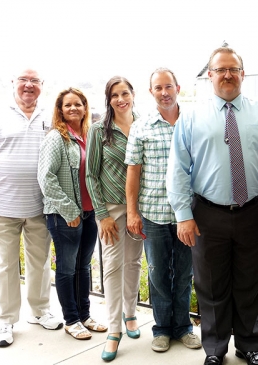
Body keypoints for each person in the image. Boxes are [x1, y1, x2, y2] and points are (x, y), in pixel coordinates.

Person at [167, 47, 258, 365]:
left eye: (233, 69)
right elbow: (177, 168)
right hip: (207, 213)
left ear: (243, 74)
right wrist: (183, 215)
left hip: (254, 212)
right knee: (210, 285)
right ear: (210, 75)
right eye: (220, 70)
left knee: (250, 281)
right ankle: (215, 349)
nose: (227, 75)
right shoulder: (191, 117)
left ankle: (249, 345)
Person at [0, 68, 63, 347]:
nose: (29, 85)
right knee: (5, 265)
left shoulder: (50, 114)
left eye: (35, 81)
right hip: (1, 206)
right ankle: (5, 321)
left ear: (42, 86)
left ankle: (40, 310)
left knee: (40, 262)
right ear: (13, 83)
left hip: (40, 206)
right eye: (23, 80)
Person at [125, 68, 202, 353]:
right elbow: (133, 171)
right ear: (151, 92)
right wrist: (132, 212)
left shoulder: (194, 123)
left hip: (187, 216)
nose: (164, 92)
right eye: (158, 88)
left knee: (184, 274)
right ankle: (161, 329)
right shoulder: (141, 126)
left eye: (168, 86)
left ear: (178, 88)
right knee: (157, 274)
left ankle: (183, 327)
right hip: (154, 214)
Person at [38, 87, 107, 341]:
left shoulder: (89, 135)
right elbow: (45, 178)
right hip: (64, 215)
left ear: (85, 107)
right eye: (67, 105)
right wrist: (69, 210)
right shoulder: (57, 138)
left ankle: (85, 315)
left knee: (84, 267)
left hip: (89, 213)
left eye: (78, 104)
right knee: (67, 269)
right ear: (60, 110)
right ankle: (71, 319)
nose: (73, 108)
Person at [86, 76, 144, 361]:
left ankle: (130, 312)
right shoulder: (99, 130)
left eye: (125, 93)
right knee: (111, 266)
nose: (120, 99)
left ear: (133, 94)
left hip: (140, 207)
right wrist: (101, 214)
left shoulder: (145, 125)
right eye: (114, 95)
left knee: (134, 261)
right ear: (108, 100)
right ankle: (113, 329)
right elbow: (91, 174)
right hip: (110, 209)